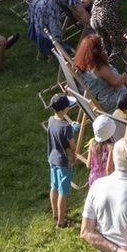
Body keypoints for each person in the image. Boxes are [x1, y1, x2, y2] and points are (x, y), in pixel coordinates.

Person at [46, 95, 79, 228]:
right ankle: (61, 222)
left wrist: (70, 128)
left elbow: (57, 131)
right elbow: (72, 146)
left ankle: (55, 215)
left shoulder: (50, 120)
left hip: (52, 158)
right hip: (63, 162)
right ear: (65, 109)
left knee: (54, 186)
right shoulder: (66, 127)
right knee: (63, 191)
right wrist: (72, 131)